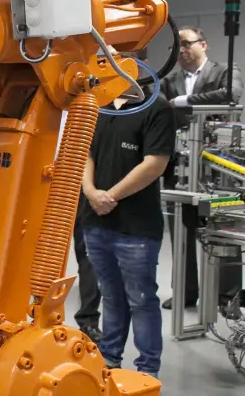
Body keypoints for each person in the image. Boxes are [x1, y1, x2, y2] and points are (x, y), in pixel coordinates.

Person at [80, 86, 175, 378]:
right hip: (96, 221)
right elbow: (86, 154)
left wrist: (110, 197)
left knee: (141, 299)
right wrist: (91, 193)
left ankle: (147, 371)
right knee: (110, 295)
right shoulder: (99, 105)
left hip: (136, 226)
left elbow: (155, 164)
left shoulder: (156, 107)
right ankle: (110, 359)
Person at [159, 27, 244, 312]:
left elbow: (231, 94)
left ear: (203, 44)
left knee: (223, 228)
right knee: (180, 230)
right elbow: (160, 109)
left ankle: (227, 296)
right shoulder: (168, 81)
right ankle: (185, 292)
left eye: (185, 44)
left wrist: (181, 101)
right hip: (179, 165)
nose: (181, 50)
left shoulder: (225, 71)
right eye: (176, 46)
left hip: (217, 165)